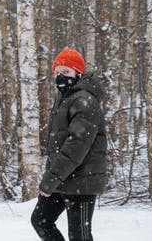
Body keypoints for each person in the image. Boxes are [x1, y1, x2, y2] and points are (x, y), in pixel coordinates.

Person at [31, 48, 107, 241]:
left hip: (82, 179)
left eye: (66, 72)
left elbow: (76, 146)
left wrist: (51, 179)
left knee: (79, 236)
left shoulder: (84, 100)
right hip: (63, 177)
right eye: (57, 73)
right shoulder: (64, 97)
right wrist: (54, 176)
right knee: (41, 219)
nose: (60, 77)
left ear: (78, 73)